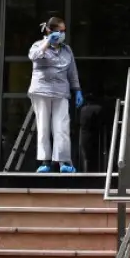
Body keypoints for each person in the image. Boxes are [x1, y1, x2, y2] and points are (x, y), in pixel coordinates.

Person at [28, 16, 84, 173]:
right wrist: (47, 43)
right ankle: (46, 161)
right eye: (59, 31)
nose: (62, 34)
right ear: (50, 31)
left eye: (63, 31)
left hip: (61, 92)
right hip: (41, 91)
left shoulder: (66, 50)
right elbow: (34, 57)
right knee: (44, 126)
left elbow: (72, 71)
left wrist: (77, 89)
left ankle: (63, 162)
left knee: (62, 127)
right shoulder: (38, 45)